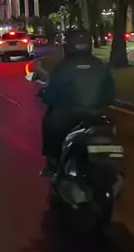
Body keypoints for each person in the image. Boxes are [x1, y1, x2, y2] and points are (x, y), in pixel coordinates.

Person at [40, 27, 115, 176]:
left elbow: (50, 95)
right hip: (96, 116)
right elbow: (110, 94)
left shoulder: (62, 68)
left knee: (49, 122)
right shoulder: (100, 65)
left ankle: (52, 164)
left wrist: (47, 97)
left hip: (68, 117)